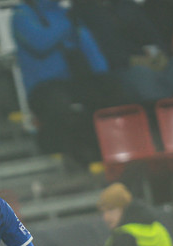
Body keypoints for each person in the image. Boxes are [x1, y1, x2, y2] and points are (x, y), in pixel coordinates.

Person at [13, 0, 118, 163]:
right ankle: (58, 149)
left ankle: (101, 154)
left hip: (70, 81)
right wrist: (66, 23)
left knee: (103, 97)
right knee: (59, 105)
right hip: (41, 87)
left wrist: (102, 72)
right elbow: (40, 43)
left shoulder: (62, 13)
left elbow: (85, 42)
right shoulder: (21, 15)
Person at [71, 0, 173, 103]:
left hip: (148, 60)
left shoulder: (125, 4)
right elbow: (98, 53)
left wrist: (160, 53)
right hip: (118, 69)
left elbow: (151, 34)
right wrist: (135, 61)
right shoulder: (81, 13)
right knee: (143, 76)